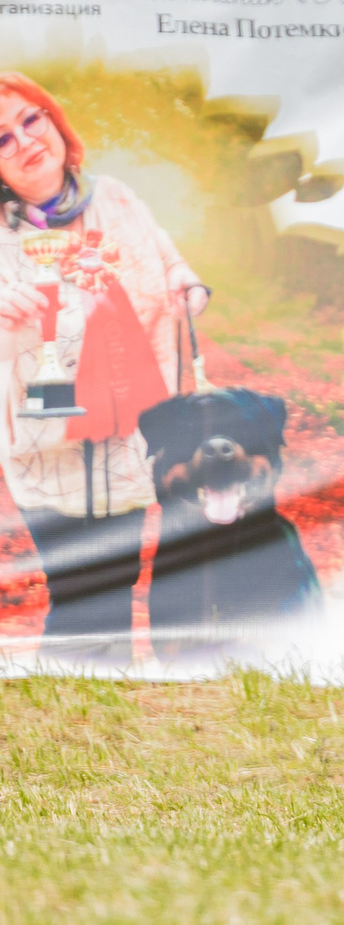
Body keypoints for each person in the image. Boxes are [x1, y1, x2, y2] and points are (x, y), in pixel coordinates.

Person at [0, 73, 207, 658]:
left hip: (128, 432)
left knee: (119, 580)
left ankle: (108, 689)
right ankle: (67, 693)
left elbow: (164, 256)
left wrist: (187, 284)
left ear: (54, 119)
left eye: (31, 120)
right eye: (3, 139)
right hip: (48, 443)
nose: (26, 141)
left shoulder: (114, 195)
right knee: (75, 588)